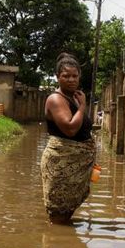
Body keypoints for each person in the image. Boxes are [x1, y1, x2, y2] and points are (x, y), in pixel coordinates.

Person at [40, 53, 96, 224]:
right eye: (66, 76)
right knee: (58, 216)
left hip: (74, 165)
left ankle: (62, 244)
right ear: (57, 77)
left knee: (65, 215)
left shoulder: (74, 98)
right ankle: (55, 244)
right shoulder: (56, 99)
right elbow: (70, 129)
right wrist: (83, 107)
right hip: (62, 164)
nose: (71, 80)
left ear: (79, 77)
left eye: (75, 76)